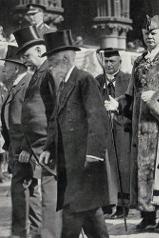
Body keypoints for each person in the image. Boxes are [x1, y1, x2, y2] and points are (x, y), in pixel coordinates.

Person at [104, 15, 159, 233]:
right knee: (142, 171)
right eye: (146, 33)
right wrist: (119, 103)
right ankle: (146, 215)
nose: (149, 37)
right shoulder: (139, 61)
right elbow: (131, 94)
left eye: (153, 33)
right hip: (141, 128)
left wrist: (156, 96)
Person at [39, 29, 113, 237]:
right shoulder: (62, 85)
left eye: (52, 63)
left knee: (72, 210)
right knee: (89, 212)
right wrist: (49, 148)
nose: (50, 69)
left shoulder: (84, 80)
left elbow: (98, 119)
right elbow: (57, 120)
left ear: (64, 60)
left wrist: (93, 154)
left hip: (84, 161)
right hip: (69, 161)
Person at [13, 25, 62, 238]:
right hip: (38, 145)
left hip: (49, 145)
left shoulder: (50, 71)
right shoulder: (37, 73)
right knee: (49, 195)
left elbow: (58, 109)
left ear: (41, 51)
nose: (24, 60)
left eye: (27, 55)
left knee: (51, 196)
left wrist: (51, 144)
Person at [0, 44, 38, 237]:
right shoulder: (15, 85)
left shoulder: (29, 84)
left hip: (24, 149)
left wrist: (26, 148)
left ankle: (22, 233)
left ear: (16, 68)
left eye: (5, 67)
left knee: (24, 191)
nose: (2, 70)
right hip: (16, 149)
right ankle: (29, 232)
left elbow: (32, 118)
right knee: (26, 192)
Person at [95, 48, 131, 219]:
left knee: (122, 166)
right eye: (106, 61)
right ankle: (107, 204)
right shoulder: (97, 81)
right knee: (105, 166)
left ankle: (124, 205)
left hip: (122, 127)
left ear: (119, 62)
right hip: (103, 129)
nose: (109, 65)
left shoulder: (128, 80)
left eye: (112, 61)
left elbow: (133, 104)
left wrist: (120, 108)